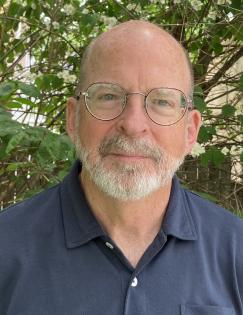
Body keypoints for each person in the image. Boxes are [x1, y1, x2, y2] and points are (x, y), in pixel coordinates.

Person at [0, 20, 242, 315]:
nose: (132, 124)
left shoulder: (236, 252)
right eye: (109, 96)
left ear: (190, 131)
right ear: (73, 119)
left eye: (161, 101)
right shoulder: (6, 247)